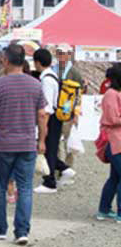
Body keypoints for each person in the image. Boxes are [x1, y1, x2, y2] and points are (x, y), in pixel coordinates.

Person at [0, 44, 47, 246]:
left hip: (3, 143)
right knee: (25, 188)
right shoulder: (35, 85)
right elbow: (42, 114)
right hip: (27, 143)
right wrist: (42, 139)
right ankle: (22, 231)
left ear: (5, 60)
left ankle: (0, 229)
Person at [34, 48, 63, 194]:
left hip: (50, 118)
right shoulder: (53, 75)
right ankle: (64, 169)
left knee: (47, 148)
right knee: (51, 148)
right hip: (55, 117)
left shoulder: (46, 80)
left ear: (37, 62)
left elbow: (46, 108)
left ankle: (49, 182)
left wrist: (42, 131)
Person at [52, 44, 83, 183]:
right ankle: (58, 168)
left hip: (68, 111)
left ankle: (68, 167)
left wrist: (76, 113)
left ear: (69, 55)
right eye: (60, 53)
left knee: (68, 142)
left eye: (65, 53)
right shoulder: (53, 69)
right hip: (55, 110)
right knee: (55, 141)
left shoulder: (75, 72)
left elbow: (79, 94)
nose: (62, 56)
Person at [97, 64, 121, 221]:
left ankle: (104, 209)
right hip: (114, 141)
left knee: (115, 177)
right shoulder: (112, 94)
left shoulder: (113, 93)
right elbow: (113, 119)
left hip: (116, 141)